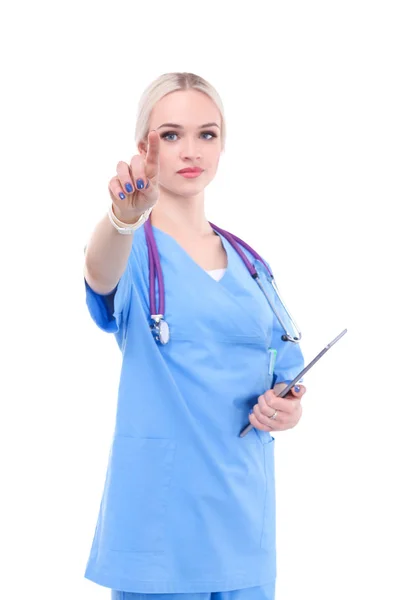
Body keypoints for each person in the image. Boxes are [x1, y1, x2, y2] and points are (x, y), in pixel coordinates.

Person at [83, 72, 306, 600]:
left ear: (222, 145)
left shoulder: (251, 265)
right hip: (160, 528)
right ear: (146, 148)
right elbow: (99, 272)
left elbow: (285, 368)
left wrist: (288, 404)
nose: (191, 150)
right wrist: (121, 220)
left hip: (242, 520)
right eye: (171, 134)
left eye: (207, 134)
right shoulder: (135, 249)